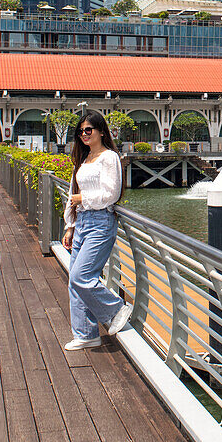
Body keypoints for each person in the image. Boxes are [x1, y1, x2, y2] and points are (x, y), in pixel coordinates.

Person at [61, 111, 133, 350]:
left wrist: (85, 198)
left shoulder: (109, 157)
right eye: (80, 131)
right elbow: (73, 195)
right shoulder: (84, 159)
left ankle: (116, 308)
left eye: (88, 130)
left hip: (101, 222)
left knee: (82, 276)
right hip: (81, 222)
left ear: (101, 131)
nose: (84, 134)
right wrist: (70, 226)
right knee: (75, 281)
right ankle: (86, 334)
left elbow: (111, 193)